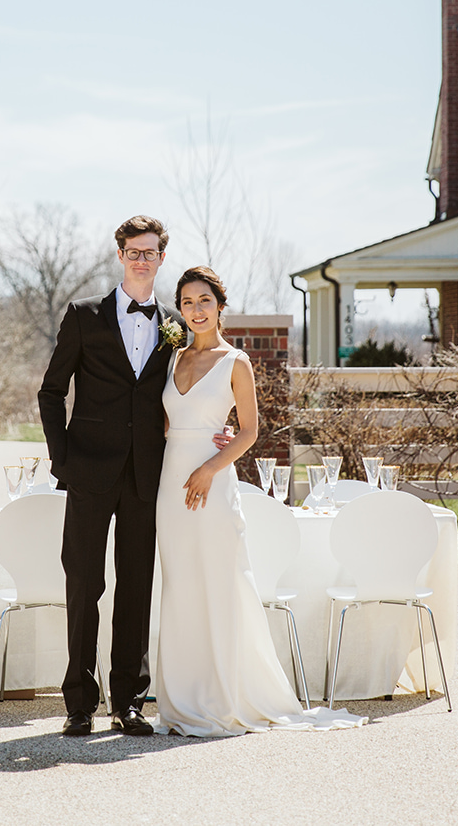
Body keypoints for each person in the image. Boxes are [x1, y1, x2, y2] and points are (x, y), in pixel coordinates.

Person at [152, 266, 365, 736]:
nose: (195, 310)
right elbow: (164, 425)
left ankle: (229, 695)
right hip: (170, 485)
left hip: (212, 482)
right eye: (187, 303)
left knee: (222, 582)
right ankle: (183, 698)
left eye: (204, 300)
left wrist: (209, 468)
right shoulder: (171, 359)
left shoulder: (236, 362)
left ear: (220, 305)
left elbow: (249, 432)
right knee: (180, 585)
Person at [37, 216, 230, 737]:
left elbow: (189, 390)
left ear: (162, 258)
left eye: (151, 252)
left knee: (137, 587)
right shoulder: (82, 316)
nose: (142, 259)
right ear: (120, 255)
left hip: (149, 475)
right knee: (84, 583)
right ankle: (79, 702)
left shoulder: (175, 324)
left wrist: (210, 431)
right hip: (89, 471)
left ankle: (128, 701)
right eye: (133, 251)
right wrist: (63, 461)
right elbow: (51, 392)